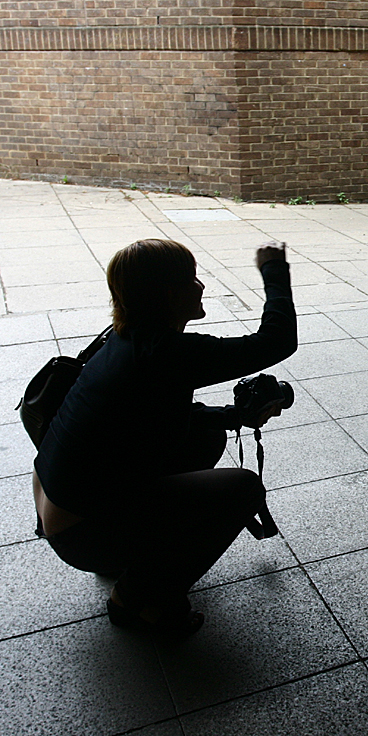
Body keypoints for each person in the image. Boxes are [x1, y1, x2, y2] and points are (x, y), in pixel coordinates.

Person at [32, 238, 297, 634]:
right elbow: (276, 341)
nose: (201, 286)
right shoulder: (165, 352)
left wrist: (234, 416)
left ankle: (136, 552)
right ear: (169, 294)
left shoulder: (127, 338)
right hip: (81, 532)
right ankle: (135, 600)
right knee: (242, 489)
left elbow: (157, 418)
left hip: (59, 502)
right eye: (191, 279)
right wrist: (274, 270)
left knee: (208, 440)